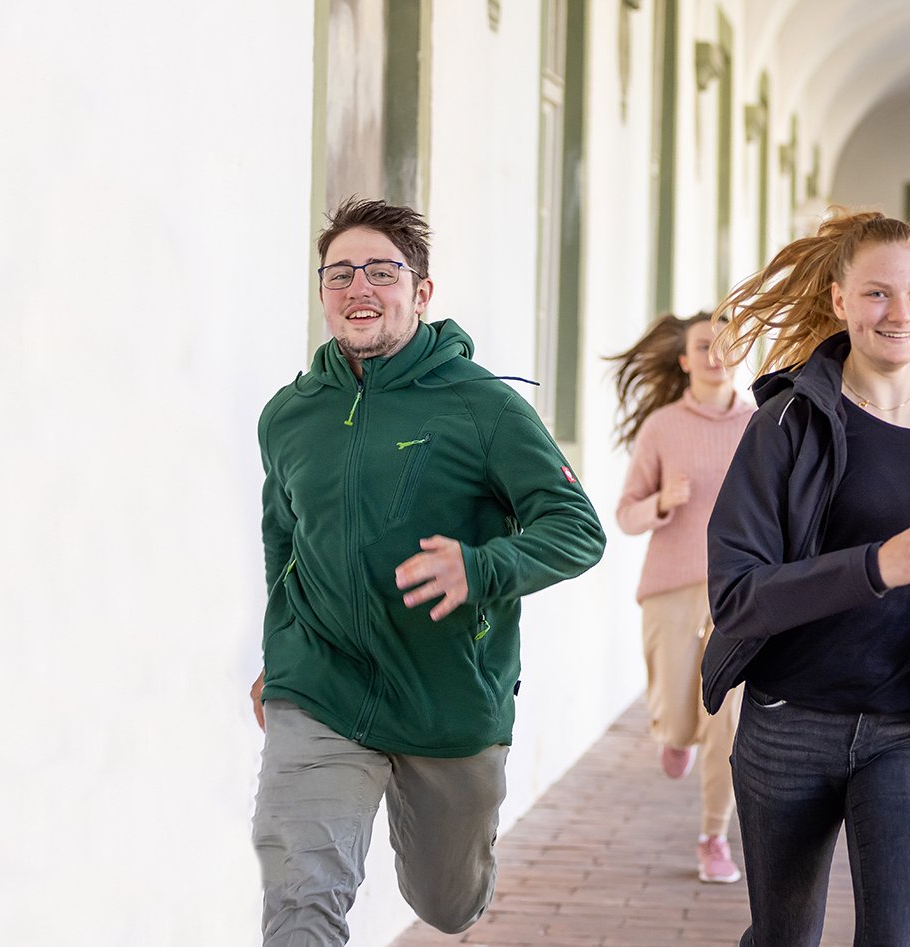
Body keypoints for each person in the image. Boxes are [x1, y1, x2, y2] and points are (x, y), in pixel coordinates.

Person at [248, 198, 607, 945]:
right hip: (318, 685)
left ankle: (451, 873)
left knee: (445, 902)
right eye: (340, 273)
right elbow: (282, 540)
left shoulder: (484, 407)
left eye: (382, 270)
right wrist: (276, 653)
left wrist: (480, 568)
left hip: (446, 693)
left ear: (422, 291)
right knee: (300, 891)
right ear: (321, 291)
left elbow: (577, 529)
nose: (359, 288)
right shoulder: (290, 414)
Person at [700, 207, 910, 947]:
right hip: (792, 721)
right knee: (783, 937)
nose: (901, 313)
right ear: (839, 300)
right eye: (878, 293)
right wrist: (875, 567)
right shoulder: (786, 424)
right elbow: (736, 595)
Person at [606, 311, 755, 884]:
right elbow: (625, 514)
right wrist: (663, 500)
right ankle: (674, 734)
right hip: (669, 586)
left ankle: (712, 837)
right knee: (679, 717)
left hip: (736, 593)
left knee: (728, 718)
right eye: (703, 346)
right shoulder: (663, 427)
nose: (716, 353)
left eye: (725, 344)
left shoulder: (761, 423)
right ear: (685, 359)